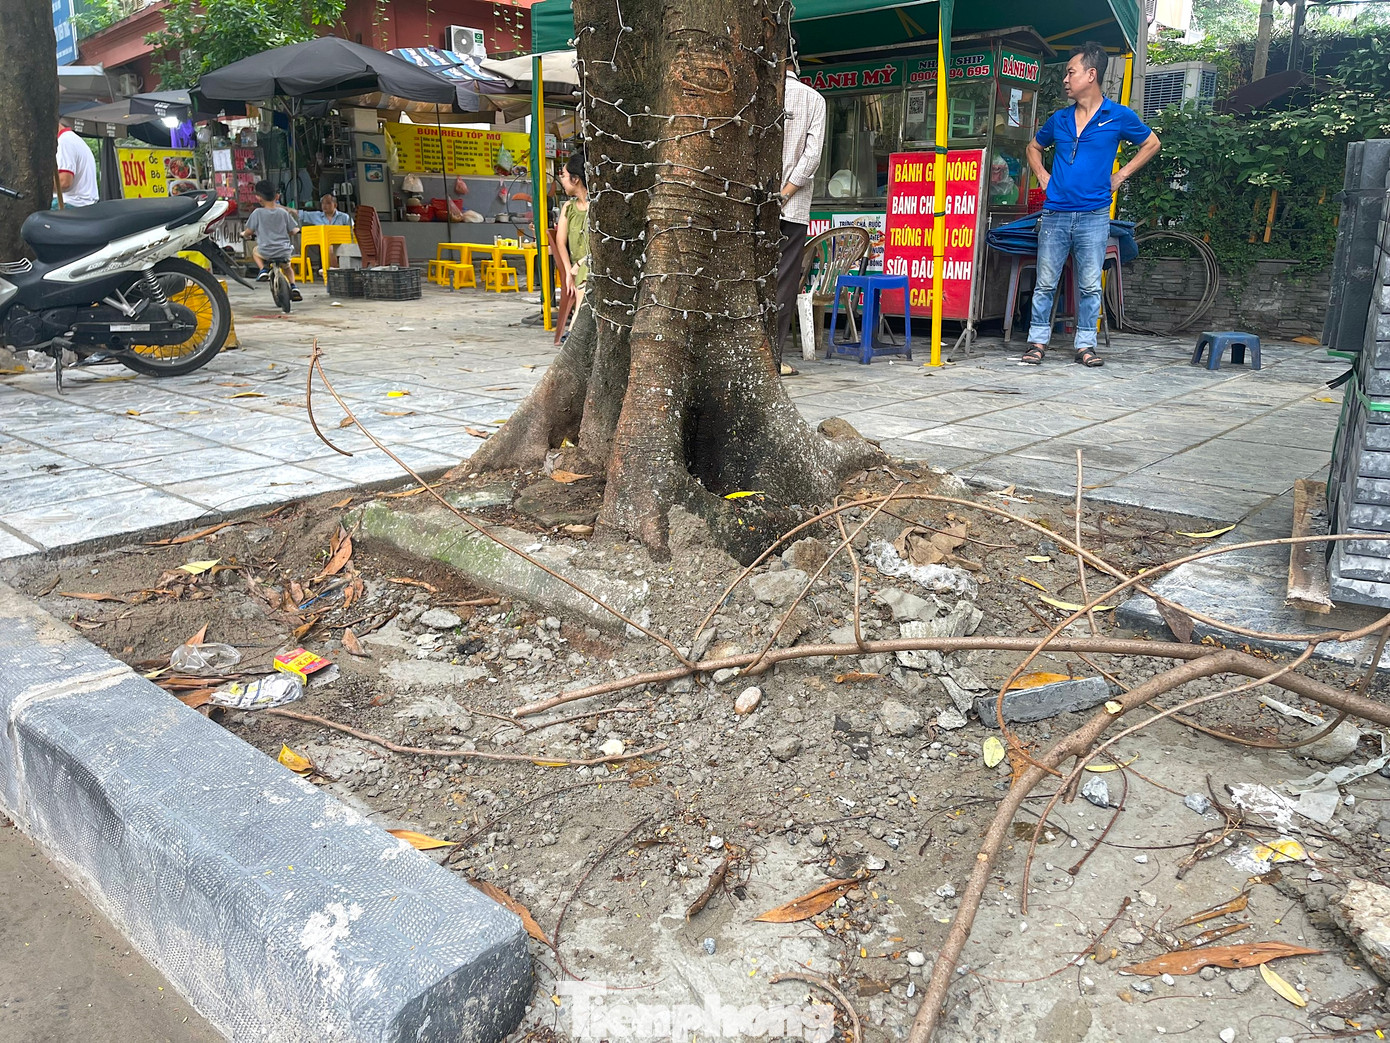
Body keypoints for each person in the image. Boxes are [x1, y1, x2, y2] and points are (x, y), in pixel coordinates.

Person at [1023, 41, 1160, 368]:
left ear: (1091, 74)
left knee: (1088, 284)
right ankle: (1037, 342)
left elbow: (1152, 143)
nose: (1066, 79)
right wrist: (1042, 175)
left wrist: (1121, 175)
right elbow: (1033, 147)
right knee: (1045, 282)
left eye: (1071, 72)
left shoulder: (1118, 116)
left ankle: (1085, 345)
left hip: (1093, 215)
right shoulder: (1059, 119)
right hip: (1055, 213)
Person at [776, 29, 826, 377]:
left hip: (751, 205)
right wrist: (786, 192)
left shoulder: (759, 98)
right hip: (790, 209)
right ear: (796, 62)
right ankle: (772, 357)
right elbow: (812, 157)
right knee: (783, 281)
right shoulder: (813, 99)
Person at [241, 179, 302, 302]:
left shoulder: (257, 213)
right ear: (277, 196)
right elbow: (293, 230)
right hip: (283, 250)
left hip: (266, 250)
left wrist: (243, 234)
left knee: (255, 251)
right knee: (287, 268)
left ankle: (263, 269)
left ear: (258, 198)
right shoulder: (283, 213)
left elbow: (249, 232)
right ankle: (294, 287)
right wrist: (298, 230)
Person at [555, 152, 590, 336]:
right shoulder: (568, 207)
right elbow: (560, 242)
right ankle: (574, 327)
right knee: (582, 272)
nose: (562, 180)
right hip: (576, 268)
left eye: (564, 175)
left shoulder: (597, 206)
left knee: (585, 268)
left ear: (576, 179)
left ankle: (573, 329)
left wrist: (579, 265)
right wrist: (569, 270)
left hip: (591, 264)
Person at [295, 192, 353, 273]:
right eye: (323, 203)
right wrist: (282, 208)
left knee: (332, 247)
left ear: (335, 205)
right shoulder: (317, 215)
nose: (325, 206)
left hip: (343, 243)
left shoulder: (344, 217)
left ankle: (334, 271)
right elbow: (300, 214)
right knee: (330, 247)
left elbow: (353, 231)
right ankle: (333, 271)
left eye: (328, 203)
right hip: (325, 244)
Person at [55, 120, 98, 208]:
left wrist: (38, 186)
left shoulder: (64, 142)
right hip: (85, 205)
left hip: (72, 203)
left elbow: (64, 182)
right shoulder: (74, 139)